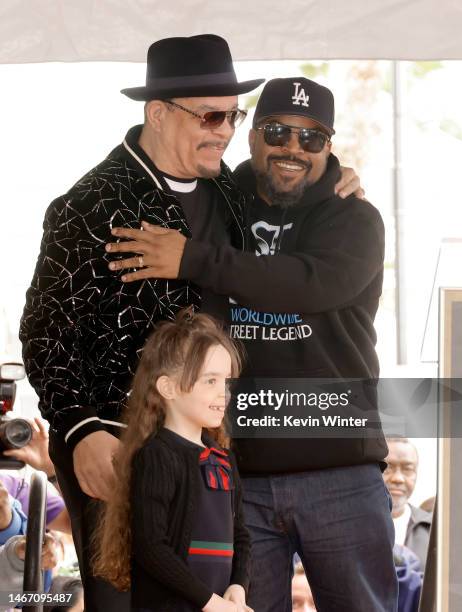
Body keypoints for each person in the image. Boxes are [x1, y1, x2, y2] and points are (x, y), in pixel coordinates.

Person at [19, 34, 361, 610]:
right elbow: (44, 331)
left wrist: (337, 177)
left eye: (233, 116)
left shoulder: (229, 189)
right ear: (157, 113)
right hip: (120, 449)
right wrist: (78, 430)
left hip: (208, 457)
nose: (225, 132)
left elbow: (293, 172)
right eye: (210, 115)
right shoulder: (90, 204)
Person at [109, 77, 397, 611]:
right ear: (251, 135)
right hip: (237, 477)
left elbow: (312, 284)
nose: (293, 147)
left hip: (340, 473)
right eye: (278, 131)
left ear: (329, 146)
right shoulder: (217, 202)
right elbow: (152, 170)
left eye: (312, 138)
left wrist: (195, 258)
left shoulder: (354, 217)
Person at [92, 309, 251, 612]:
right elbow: (151, 548)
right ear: (168, 388)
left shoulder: (223, 458)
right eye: (210, 381)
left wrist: (237, 587)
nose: (224, 394)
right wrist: (210, 603)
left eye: (227, 381)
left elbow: (240, 533)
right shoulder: (157, 456)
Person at [384, 437, 432, 571]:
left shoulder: (433, 530)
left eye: (407, 469)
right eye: (388, 468)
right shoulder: (350, 526)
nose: (398, 478)